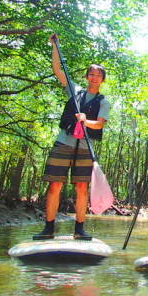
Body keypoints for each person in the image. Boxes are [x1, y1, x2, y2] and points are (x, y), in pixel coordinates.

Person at [33, 34, 111, 241]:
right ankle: (48, 228)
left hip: (85, 147)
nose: (94, 78)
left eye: (98, 75)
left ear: (102, 80)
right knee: (54, 185)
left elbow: (100, 123)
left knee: (81, 187)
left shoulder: (103, 101)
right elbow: (58, 69)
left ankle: (79, 229)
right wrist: (55, 46)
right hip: (64, 143)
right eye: (91, 74)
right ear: (87, 77)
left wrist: (86, 120)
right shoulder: (75, 90)